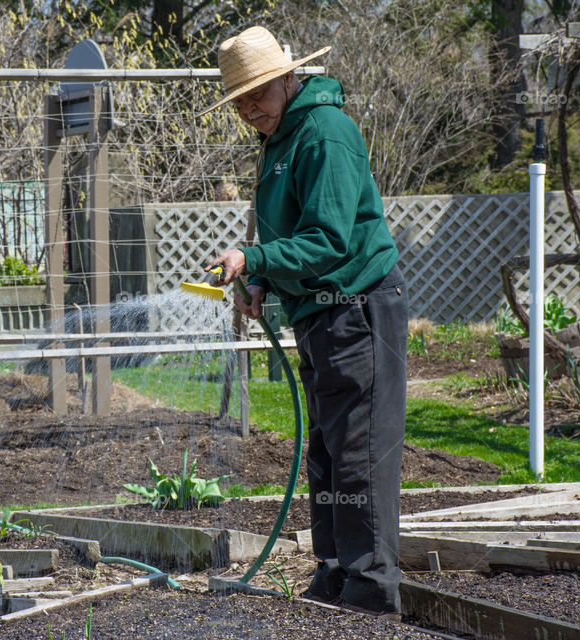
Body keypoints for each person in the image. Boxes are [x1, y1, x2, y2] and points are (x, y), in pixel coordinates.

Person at [202, 26, 408, 619]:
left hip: (359, 307)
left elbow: (329, 241)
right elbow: (294, 236)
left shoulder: (325, 134)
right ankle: (337, 570)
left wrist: (254, 260)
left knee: (359, 450)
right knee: (328, 449)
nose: (247, 110)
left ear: (288, 80)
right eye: (238, 101)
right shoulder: (281, 138)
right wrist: (263, 283)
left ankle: (371, 591)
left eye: (255, 95)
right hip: (323, 313)